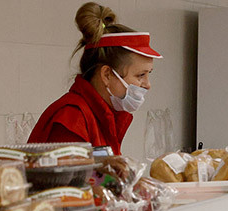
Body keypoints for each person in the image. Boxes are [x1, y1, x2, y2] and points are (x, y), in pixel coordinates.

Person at [28, 2, 161, 155]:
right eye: (140, 75)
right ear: (107, 75)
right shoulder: (72, 118)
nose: (147, 85)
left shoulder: (106, 116)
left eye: (148, 74)